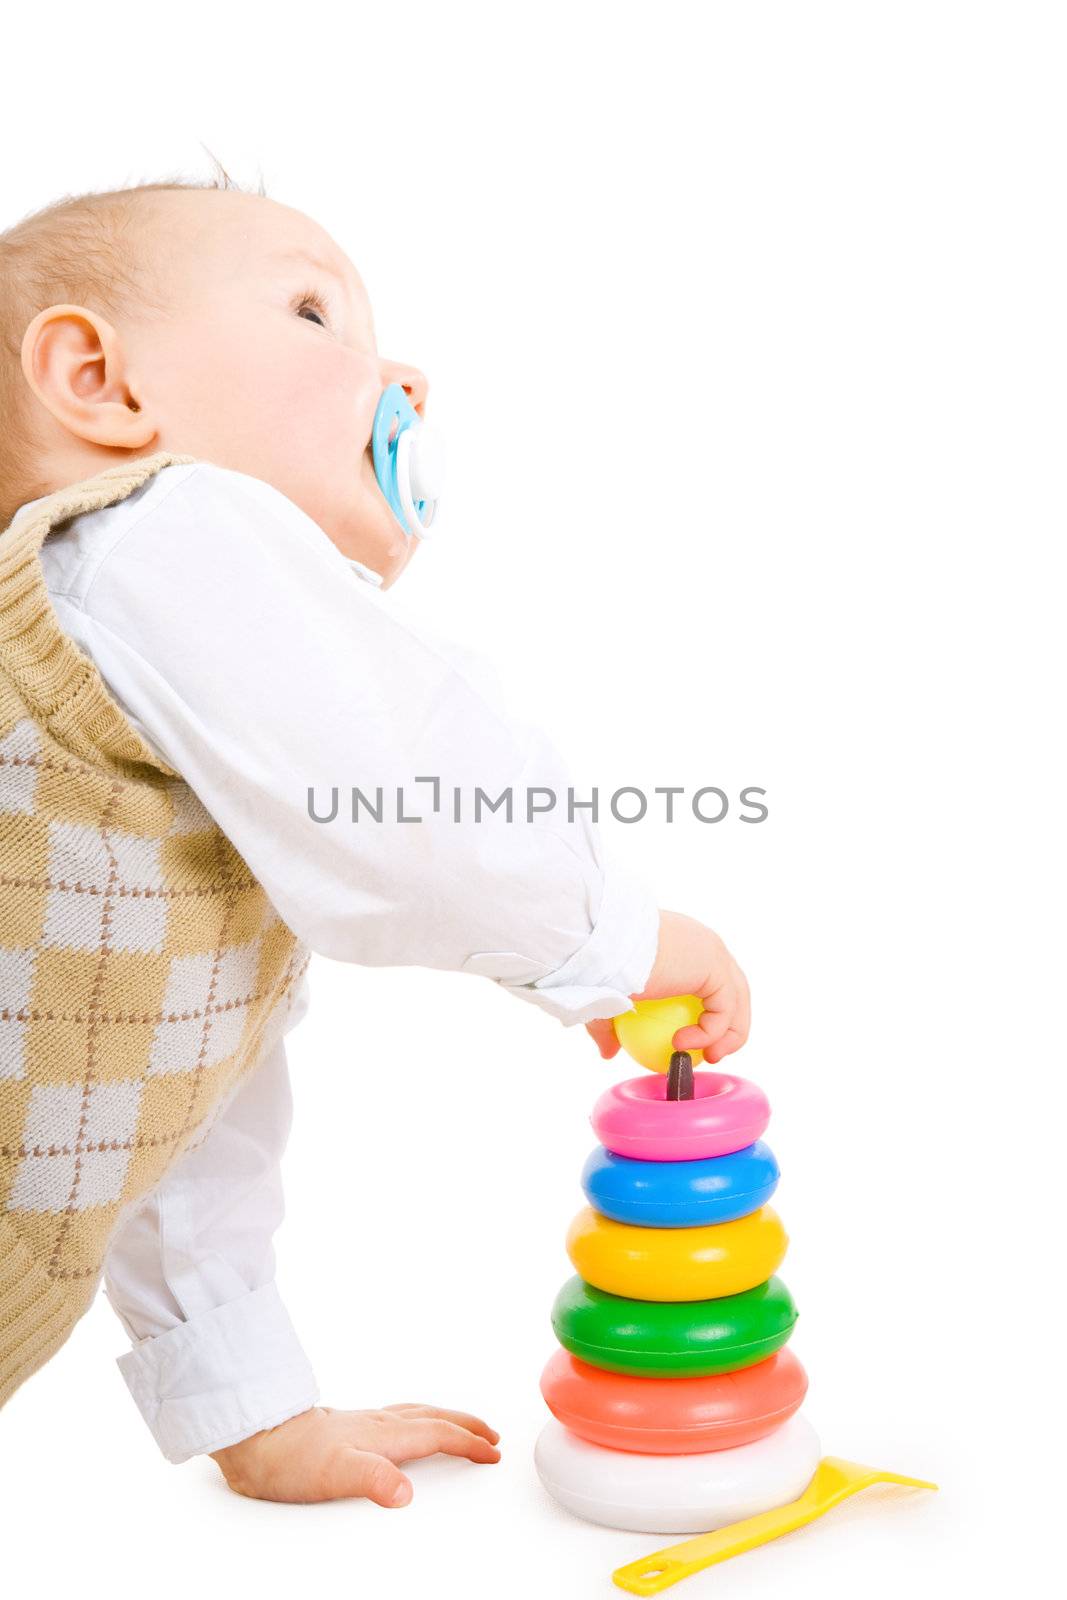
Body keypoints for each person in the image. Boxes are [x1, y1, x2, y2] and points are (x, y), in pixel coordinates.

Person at [0, 176, 749, 1506]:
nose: (400, 373)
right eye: (311, 310)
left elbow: (164, 1099)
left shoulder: (138, 708)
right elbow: (408, 797)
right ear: (99, 385)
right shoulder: (160, 529)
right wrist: (611, 936)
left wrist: (255, 1407)